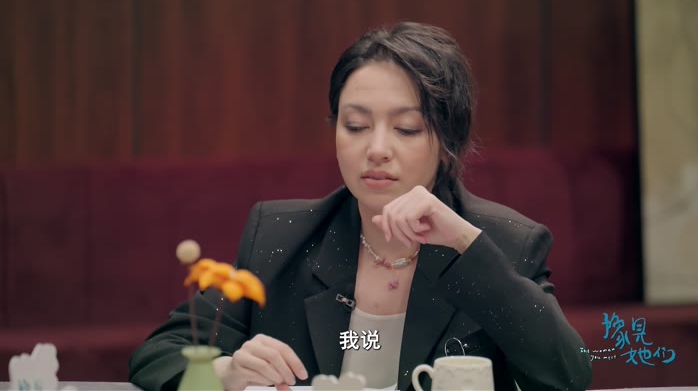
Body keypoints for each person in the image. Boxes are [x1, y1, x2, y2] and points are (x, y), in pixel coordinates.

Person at [129, 22, 592, 391]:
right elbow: (159, 354)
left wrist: (464, 246)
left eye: (406, 129)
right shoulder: (280, 236)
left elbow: (567, 376)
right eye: (355, 126)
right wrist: (225, 372)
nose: (377, 150)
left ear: (446, 142)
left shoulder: (505, 243)